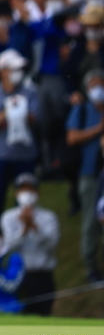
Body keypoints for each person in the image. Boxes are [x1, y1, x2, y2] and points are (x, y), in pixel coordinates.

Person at [0, 49, 40, 221]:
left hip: (25, 155)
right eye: (14, 69)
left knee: (25, 201)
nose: (18, 73)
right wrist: (6, 111)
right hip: (0, 155)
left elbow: (37, 120)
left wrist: (22, 110)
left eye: (19, 69)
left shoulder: (30, 93)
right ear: (2, 71)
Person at [0, 173, 59, 316]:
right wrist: (24, 230)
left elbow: (52, 243)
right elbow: (8, 246)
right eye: (22, 190)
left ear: (37, 192)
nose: (27, 194)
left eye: (30, 190)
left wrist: (34, 226)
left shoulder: (48, 217)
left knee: (44, 316)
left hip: (43, 275)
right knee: (20, 318)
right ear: (16, 193)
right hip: (18, 276)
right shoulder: (8, 217)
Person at [67, 70, 104, 282]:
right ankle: (91, 268)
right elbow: (71, 137)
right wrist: (99, 129)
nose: (99, 89)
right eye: (94, 85)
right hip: (89, 174)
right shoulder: (81, 110)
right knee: (91, 220)